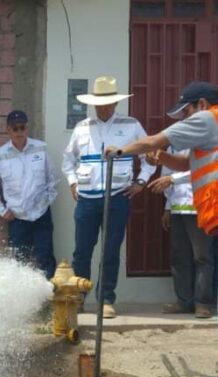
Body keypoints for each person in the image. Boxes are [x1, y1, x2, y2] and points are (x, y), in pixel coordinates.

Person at [105, 81, 218, 377]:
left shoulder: (207, 120)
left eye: (186, 111)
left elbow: (154, 138)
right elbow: (191, 165)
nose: (184, 119)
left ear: (201, 104)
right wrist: (161, 159)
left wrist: (121, 150)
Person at [61, 76, 156, 318]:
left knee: (111, 250)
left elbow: (149, 156)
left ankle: (106, 300)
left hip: (117, 198)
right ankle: (79, 298)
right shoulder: (83, 127)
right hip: (87, 199)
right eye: (98, 103)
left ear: (115, 103)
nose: (103, 107)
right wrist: (73, 183)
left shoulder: (131, 124)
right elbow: (68, 159)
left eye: (107, 103)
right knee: (82, 250)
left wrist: (141, 182)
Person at [0, 110, 58, 278]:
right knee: (19, 262)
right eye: (15, 128)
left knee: (45, 258)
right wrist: (3, 211)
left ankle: (49, 300)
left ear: (27, 128)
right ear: (8, 130)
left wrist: (45, 203)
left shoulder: (41, 148)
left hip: (41, 215)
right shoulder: (0, 155)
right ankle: (23, 303)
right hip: (17, 219)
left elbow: (53, 180)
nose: (19, 132)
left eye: (22, 127)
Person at [147, 150, 215, 318]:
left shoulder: (204, 142)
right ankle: (184, 301)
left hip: (200, 208)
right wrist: (168, 208)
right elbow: (166, 180)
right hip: (178, 209)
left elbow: (206, 170)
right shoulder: (171, 149)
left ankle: (203, 303)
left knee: (203, 257)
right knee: (179, 257)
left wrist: (173, 179)